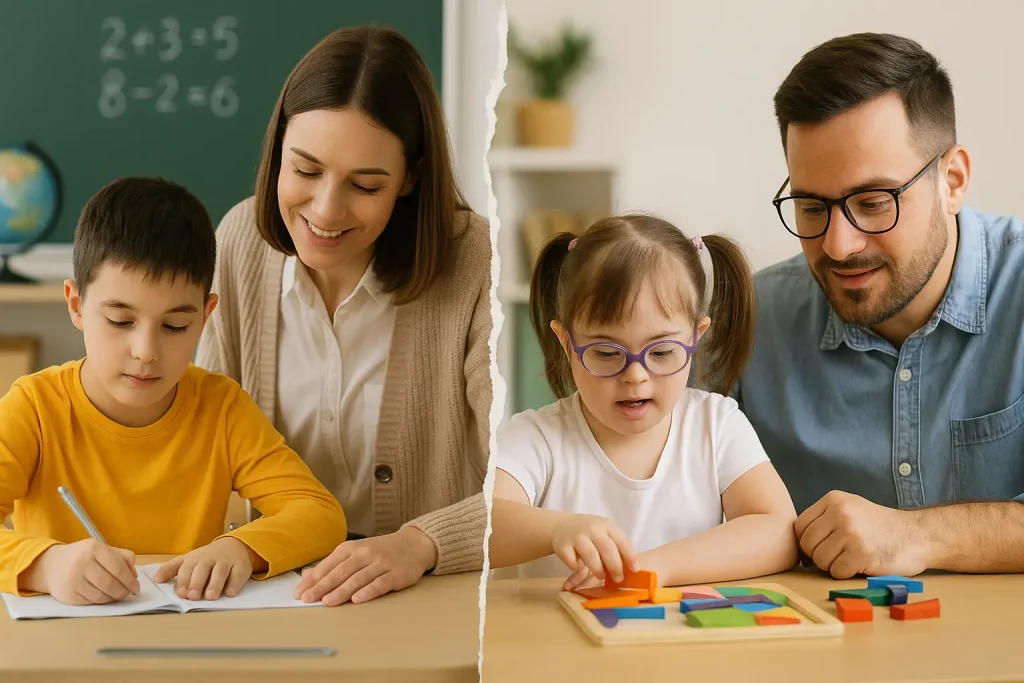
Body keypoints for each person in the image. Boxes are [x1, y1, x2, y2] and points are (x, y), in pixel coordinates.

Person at [195, 25, 491, 606]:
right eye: (305, 171)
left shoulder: (474, 260)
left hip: (431, 596)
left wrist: (418, 544)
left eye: (365, 185)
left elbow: (528, 478)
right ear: (277, 149)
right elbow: (197, 442)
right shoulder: (238, 243)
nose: (326, 211)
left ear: (409, 178)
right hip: (281, 591)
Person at [737, 32, 1024, 580]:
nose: (839, 246)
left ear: (953, 181)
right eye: (811, 207)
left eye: (873, 203)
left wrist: (918, 535)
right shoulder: (749, 320)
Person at [0, 177, 347, 606]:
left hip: (185, 642)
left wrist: (241, 548)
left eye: (175, 326)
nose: (146, 352)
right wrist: (46, 566)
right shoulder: (33, 407)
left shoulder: (221, 407)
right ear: (76, 305)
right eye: (121, 321)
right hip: (61, 652)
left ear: (205, 316)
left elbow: (319, 514)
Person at [488, 216, 797, 590]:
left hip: (676, 641)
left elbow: (778, 530)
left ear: (696, 336)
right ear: (566, 342)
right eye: (606, 352)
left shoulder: (716, 425)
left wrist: (650, 569)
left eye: (662, 351)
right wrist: (558, 528)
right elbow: (481, 525)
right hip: (561, 645)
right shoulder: (537, 437)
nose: (636, 376)